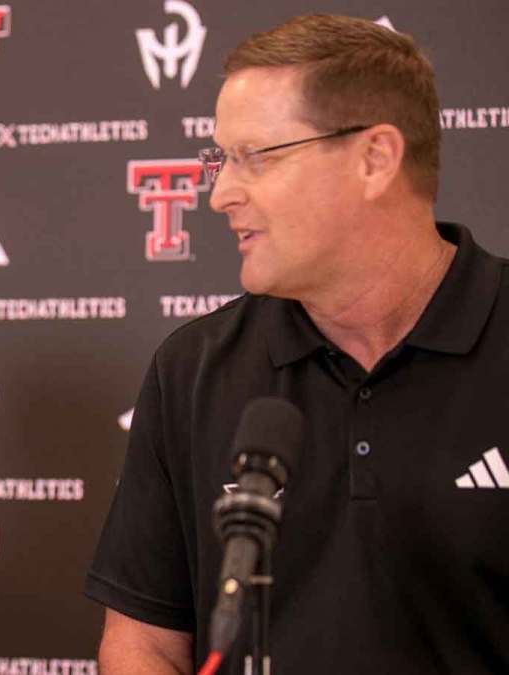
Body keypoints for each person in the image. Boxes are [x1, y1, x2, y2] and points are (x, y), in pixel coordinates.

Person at [87, 14, 509, 674]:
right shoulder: (193, 366)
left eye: (256, 156)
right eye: (219, 159)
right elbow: (144, 641)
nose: (221, 193)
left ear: (375, 158)